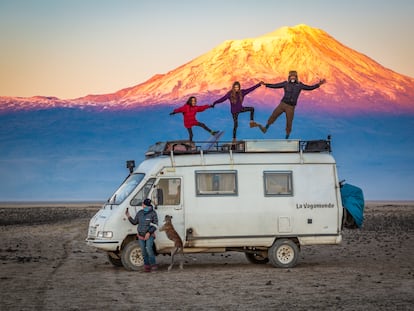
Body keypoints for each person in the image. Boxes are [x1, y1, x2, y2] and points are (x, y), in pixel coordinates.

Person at [259, 71, 326, 139]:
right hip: (282, 104)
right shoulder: (285, 84)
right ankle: (266, 127)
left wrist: (319, 84)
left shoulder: (300, 85)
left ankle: (287, 136)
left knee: (289, 121)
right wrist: (266, 84)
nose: (292, 78)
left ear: (296, 77)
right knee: (274, 115)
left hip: (291, 107)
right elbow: (275, 85)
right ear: (289, 77)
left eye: (294, 76)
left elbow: (310, 88)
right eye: (291, 76)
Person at [125, 198, 158, 272]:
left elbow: (155, 225)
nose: (142, 205)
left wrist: (149, 233)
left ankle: (154, 266)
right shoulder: (140, 213)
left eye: (143, 204)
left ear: (146, 205)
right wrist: (128, 216)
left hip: (149, 235)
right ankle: (147, 267)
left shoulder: (153, 213)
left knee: (149, 249)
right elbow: (134, 222)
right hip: (140, 236)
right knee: (143, 251)